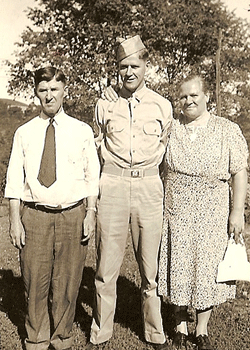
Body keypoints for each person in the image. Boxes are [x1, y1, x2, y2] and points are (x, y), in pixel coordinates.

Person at [87, 35, 173, 350]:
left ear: (146, 66)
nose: (129, 72)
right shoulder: (103, 104)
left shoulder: (163, 106)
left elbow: (166, 149)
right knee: (106, 268)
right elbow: (96, 145)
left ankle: (154, 332)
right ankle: (101, 332)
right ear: (117, 69)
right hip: (112, 184)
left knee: (150, 270)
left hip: (150, 187)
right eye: (123, 67)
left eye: (134, 65)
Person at [5, 66, 100, 350]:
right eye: (43, 90)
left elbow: (92, 176)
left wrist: (91, 213)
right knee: (34, 281)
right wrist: (14, 220)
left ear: (64, 91)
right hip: (34, 215)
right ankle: (36, 338)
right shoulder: (24, 133)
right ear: (36, 93)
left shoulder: (81, 131)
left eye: (54, 89)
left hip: (73, 214)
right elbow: (13, 179)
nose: (49, 95)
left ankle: (61, 337)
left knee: (68, 283)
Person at [158, 74, 248, 350]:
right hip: (176, 210)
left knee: (207, 268)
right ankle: (180, 324)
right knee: (179, 264)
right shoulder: (171, 128)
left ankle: (202, 329)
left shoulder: (226, 129)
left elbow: (239, 172)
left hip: (213, 211)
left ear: (207, 96)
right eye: (183, 96)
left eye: (194, 95)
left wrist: (237, 212)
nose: (188, 100)